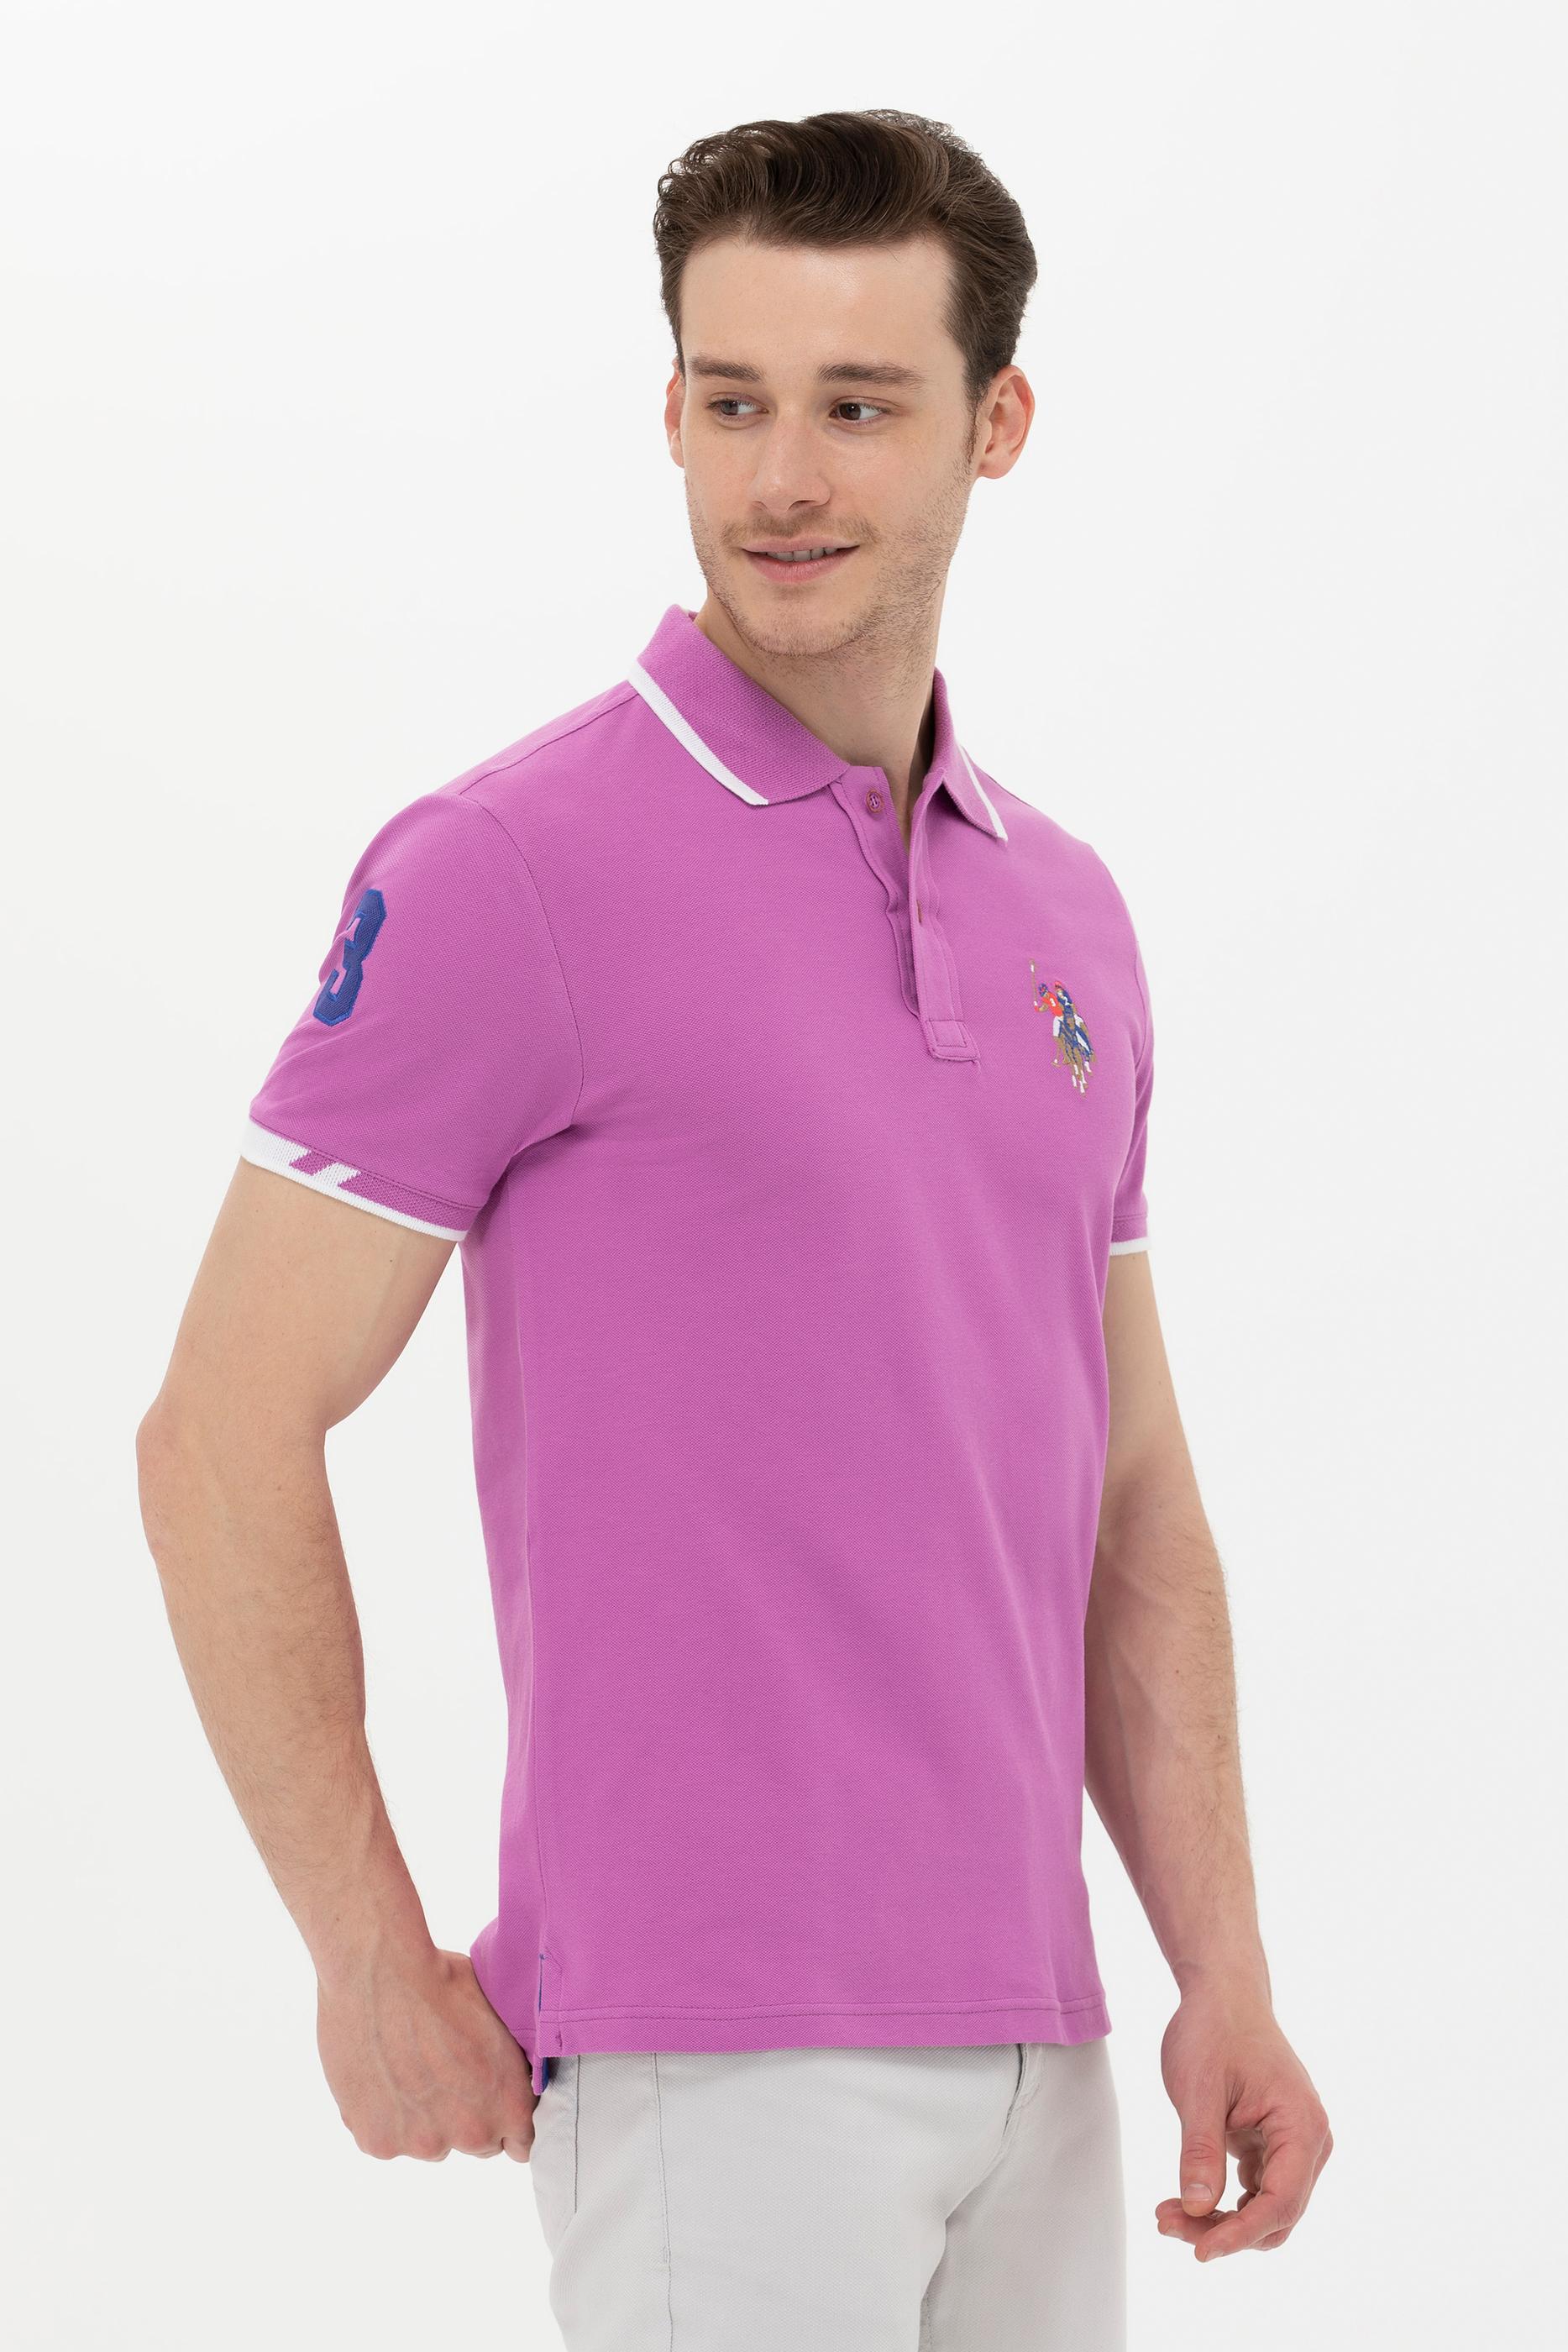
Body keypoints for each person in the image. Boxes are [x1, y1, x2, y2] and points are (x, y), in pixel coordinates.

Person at [135, 106, 1331, 2351]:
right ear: (670, 409)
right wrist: (364, 1951)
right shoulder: (507, 871)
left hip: (1043, 2043)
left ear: (995, 424)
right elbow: (217, 1431)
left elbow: (1132, 1491)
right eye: (731, 399)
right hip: (712, 2056)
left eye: (858, 407)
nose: (781, 476)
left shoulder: (1066, 912)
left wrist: (1223, 1965)